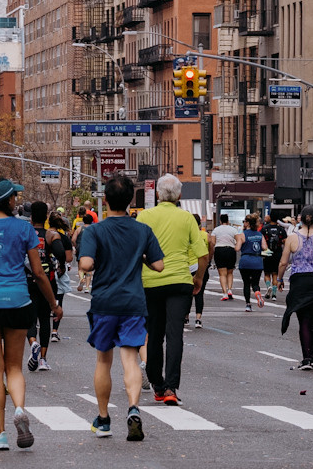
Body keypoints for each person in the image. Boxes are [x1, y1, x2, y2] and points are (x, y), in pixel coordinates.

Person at [0, 179, 61, 450]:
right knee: (14, 367)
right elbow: (38, 272)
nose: (16, 200)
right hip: (19, 301)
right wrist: (53, 304)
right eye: (14, 197)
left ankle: (0, 434)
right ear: (8, 200)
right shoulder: (24, 228)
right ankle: (19, 408)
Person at [78, 174, 166, 440]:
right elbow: (159, 265)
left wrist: (97, 261)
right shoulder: (143, 230)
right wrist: (142, 257)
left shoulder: (94, 231)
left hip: (105, 302)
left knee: (103, 360)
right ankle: (133, 408)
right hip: (133, 302)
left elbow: (85, 264)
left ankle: (104, 419)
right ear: (130, 201)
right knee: (130, 358)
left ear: (105, 199)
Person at [139, 174, 209, 406]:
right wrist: (198, 279)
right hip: (180, 281)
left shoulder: (144, 216)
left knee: (154, 335)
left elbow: (136, 250)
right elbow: (203, 254)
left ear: (158, 194)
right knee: (174, 333)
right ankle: (171, 387)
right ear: (180, 195)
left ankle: (157, 384)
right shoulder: (187, 218)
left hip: (151, 282)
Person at [278, 209, 313, 369]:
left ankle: (306, 358)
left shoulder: (292, 238)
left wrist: (279, 279)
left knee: (304, 320)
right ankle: (312, 356)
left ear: (300, 219)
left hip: (299, 281)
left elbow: (283, 262)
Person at [26, 200, 58, 372]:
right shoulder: (49, 235)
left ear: (31, 217)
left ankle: (33, 342)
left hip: (28, 280)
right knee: (45, 318)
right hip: (46, 281)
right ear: (46, 216)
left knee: (30, 317)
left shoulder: (26, 233)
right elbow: (62, 253)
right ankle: (43, 360)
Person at [238, 216, 268, 309]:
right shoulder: (259, 235)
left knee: (246, 283)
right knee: (255, 283)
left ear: (247, 223)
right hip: (257, 261)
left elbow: (237, 248)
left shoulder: (243, 234)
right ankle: (257, 292)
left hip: (245, 260)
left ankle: (248, 304)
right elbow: (265, 247)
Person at [212, 213, 244, 301]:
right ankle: (230, 290)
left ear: (220, 221)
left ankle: (224, 293)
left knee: (222, 274)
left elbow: (213, 242)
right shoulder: (233, 229)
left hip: (219, 250)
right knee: (230, 272)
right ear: (228, 221)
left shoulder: (216, 230)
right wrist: (236, 246)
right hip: (230, 250)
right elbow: (238, 239)